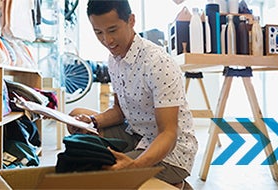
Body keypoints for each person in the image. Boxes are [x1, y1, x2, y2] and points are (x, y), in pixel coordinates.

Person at [68, 0, 198, 188]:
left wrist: (135, 166)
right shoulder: (114, 59)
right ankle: (146, 170)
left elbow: (168, 133)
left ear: (131, 21)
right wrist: (92, 122)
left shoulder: (157, 63)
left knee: (105, 177)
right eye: (99, 32)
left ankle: (176, 182)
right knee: (77, 122)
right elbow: (119, 111)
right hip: (137, 134)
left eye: (112, 30)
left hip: (172, 151)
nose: (107, 40)